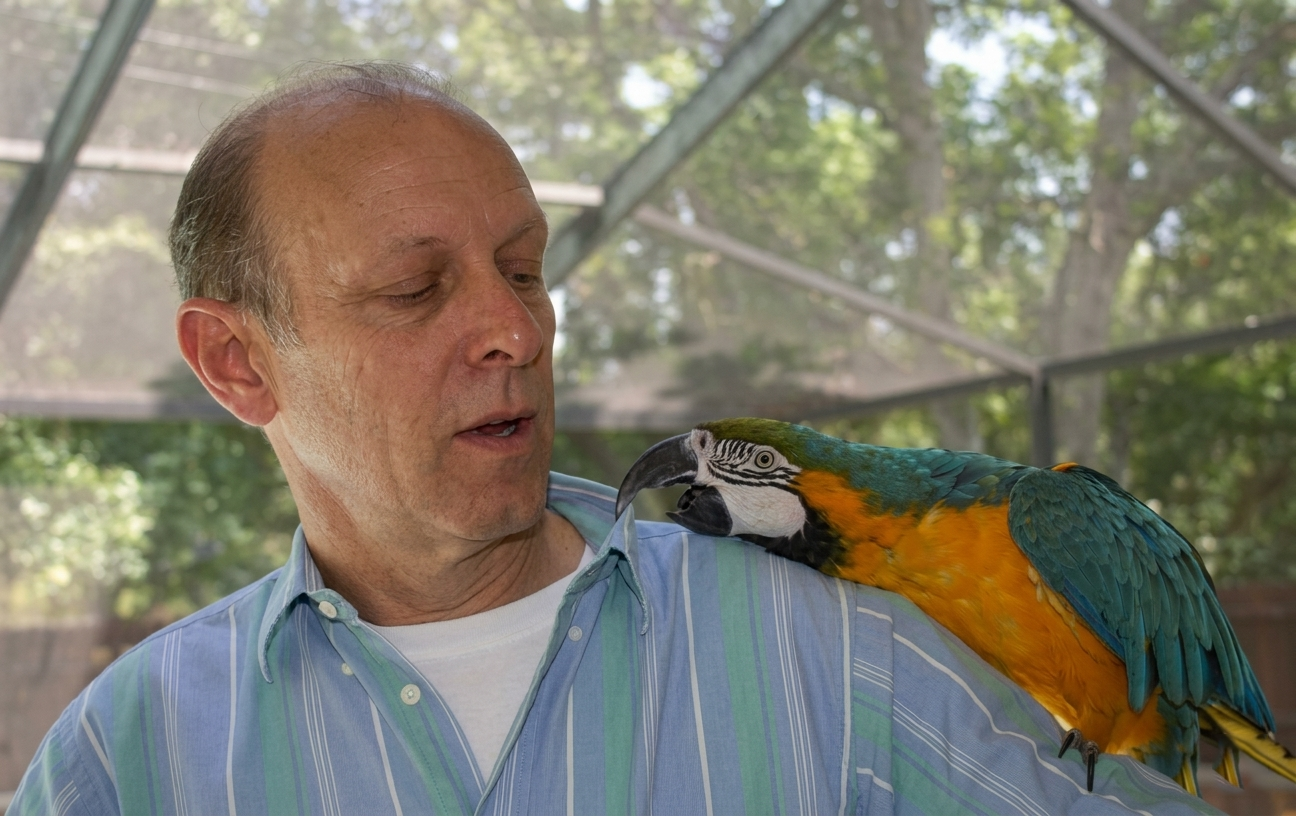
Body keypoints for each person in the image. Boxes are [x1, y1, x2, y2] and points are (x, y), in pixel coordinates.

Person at [10, 62, 1218, 815]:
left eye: (523, 269)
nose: (515, 329)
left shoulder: (833, 652)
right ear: (237, 364)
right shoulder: (127, 758)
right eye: (415, 291)